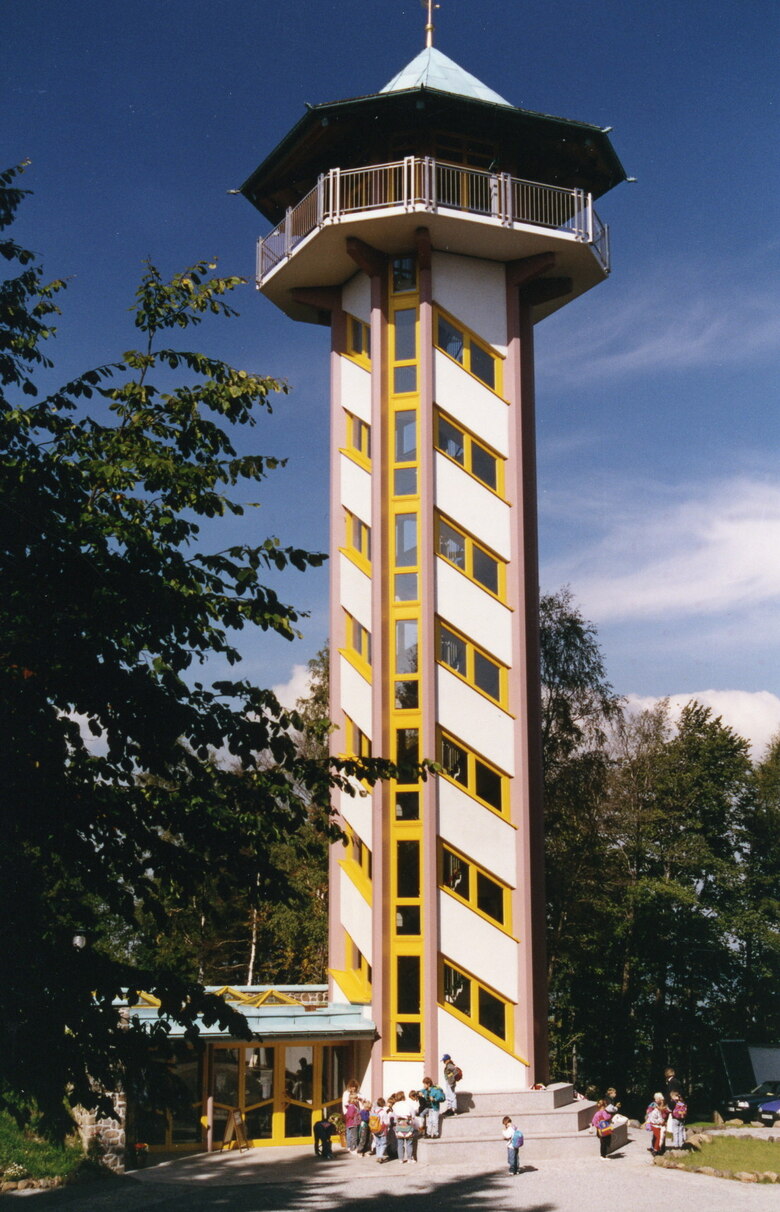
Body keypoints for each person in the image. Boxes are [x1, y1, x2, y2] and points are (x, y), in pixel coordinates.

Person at [392, 1090, 418, 1163]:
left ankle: (401, 1159)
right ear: (403, 1097)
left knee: (400, 1143)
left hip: (399, 1125)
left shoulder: (395, 1106)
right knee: (409, 1143)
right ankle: (409, 1159)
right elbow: (413, 1116)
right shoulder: (408, 1105)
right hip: (408, 1125)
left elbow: (394, 1118)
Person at [645, 1092, 669, 1156]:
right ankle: (655, 1149)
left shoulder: (663, 1104)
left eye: (657, 1099)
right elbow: (650, 1114)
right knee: (657, 1136)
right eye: (655, 1099)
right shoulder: (653, 1105)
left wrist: (663, 1119)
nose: (656, 1100)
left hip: (660, 1124)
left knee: (659, 1136)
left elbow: (665, 1113)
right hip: (655, 1123)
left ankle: (658, 1148)